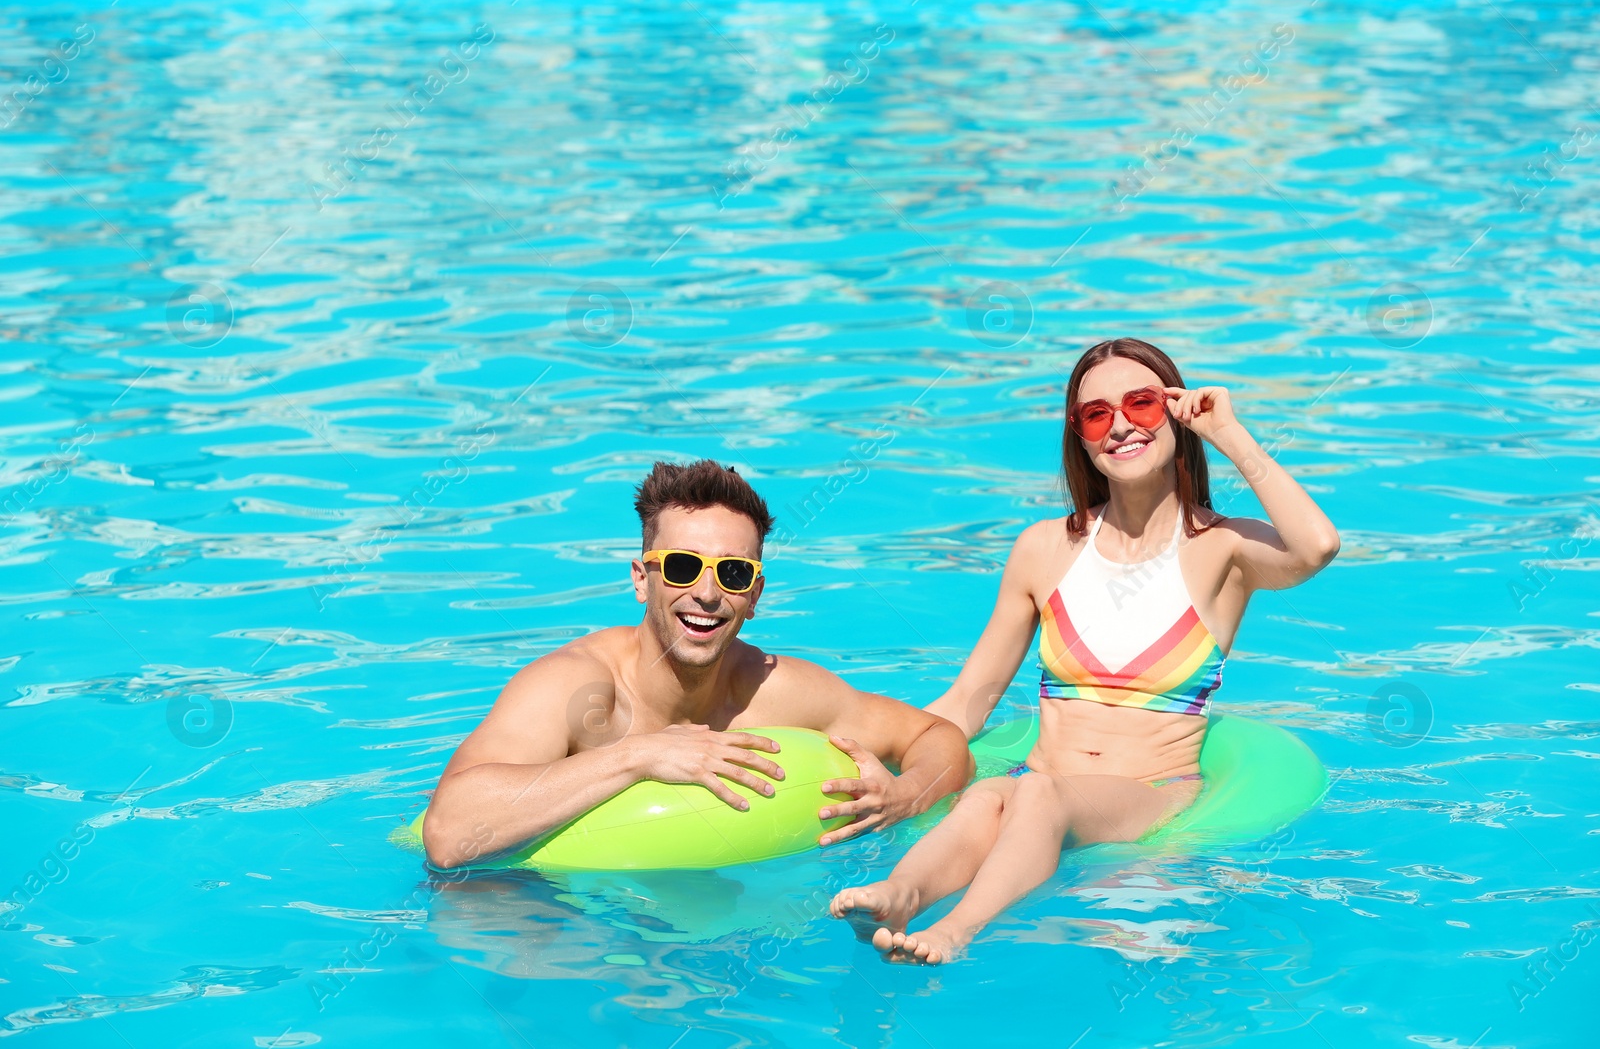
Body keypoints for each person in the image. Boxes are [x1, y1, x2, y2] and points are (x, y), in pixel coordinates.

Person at [829, 338, 1341, 963]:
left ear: (1175, 414)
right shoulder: (1044, 548)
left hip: (1150, 790)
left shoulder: (1223, 547)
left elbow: (1316, 546)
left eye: (1143, 404)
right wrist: (899, 766)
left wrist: (1229, 434)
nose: (1121, 424)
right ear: (1080, 436)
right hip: (1037, 776)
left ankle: (958, 929)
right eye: (1096, 414)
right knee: (991, 794)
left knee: (1039, 794)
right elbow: (970, 698)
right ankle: (899, 893)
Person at [422, 459, 974, 870]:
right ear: (642, 579)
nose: (707, 594)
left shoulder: (769, 689)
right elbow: (448, 833)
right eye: (683, 567)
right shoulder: (579, 686)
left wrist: (909, 795)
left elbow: (935, 735)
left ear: (755, 595)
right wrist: (639, 755)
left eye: (732, 574)